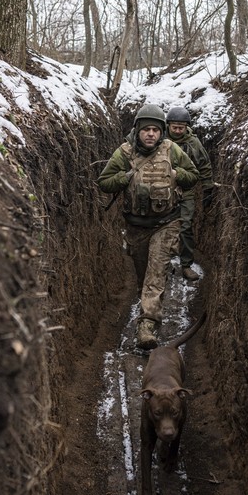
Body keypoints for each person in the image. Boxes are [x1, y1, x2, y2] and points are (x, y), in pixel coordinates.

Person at [97, 104, 200, 350]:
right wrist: (125, 177)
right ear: (138, 130)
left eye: (155, 129)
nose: (151, 134)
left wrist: (176, 174)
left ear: (161, 131)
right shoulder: (124, 153)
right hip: (136, 227)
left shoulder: (172, 149)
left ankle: (147, 326)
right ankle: (149, 308)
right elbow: (104, 181)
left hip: (167, 222)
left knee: (156, 274)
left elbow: (192, 175)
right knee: (145, 277)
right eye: (147, 130)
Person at [165, 106, 214, 281]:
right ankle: (164, 263)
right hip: (161, 191)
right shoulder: (159, 139)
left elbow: (204, 165)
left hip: (186, 190)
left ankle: (186, 265)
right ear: (168, 125)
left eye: (181, 127)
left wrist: (208, 188)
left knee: (185, 226)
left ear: (187, 127)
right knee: (161, 227)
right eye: (174, 127)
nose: (178, 131)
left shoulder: (193, 143)